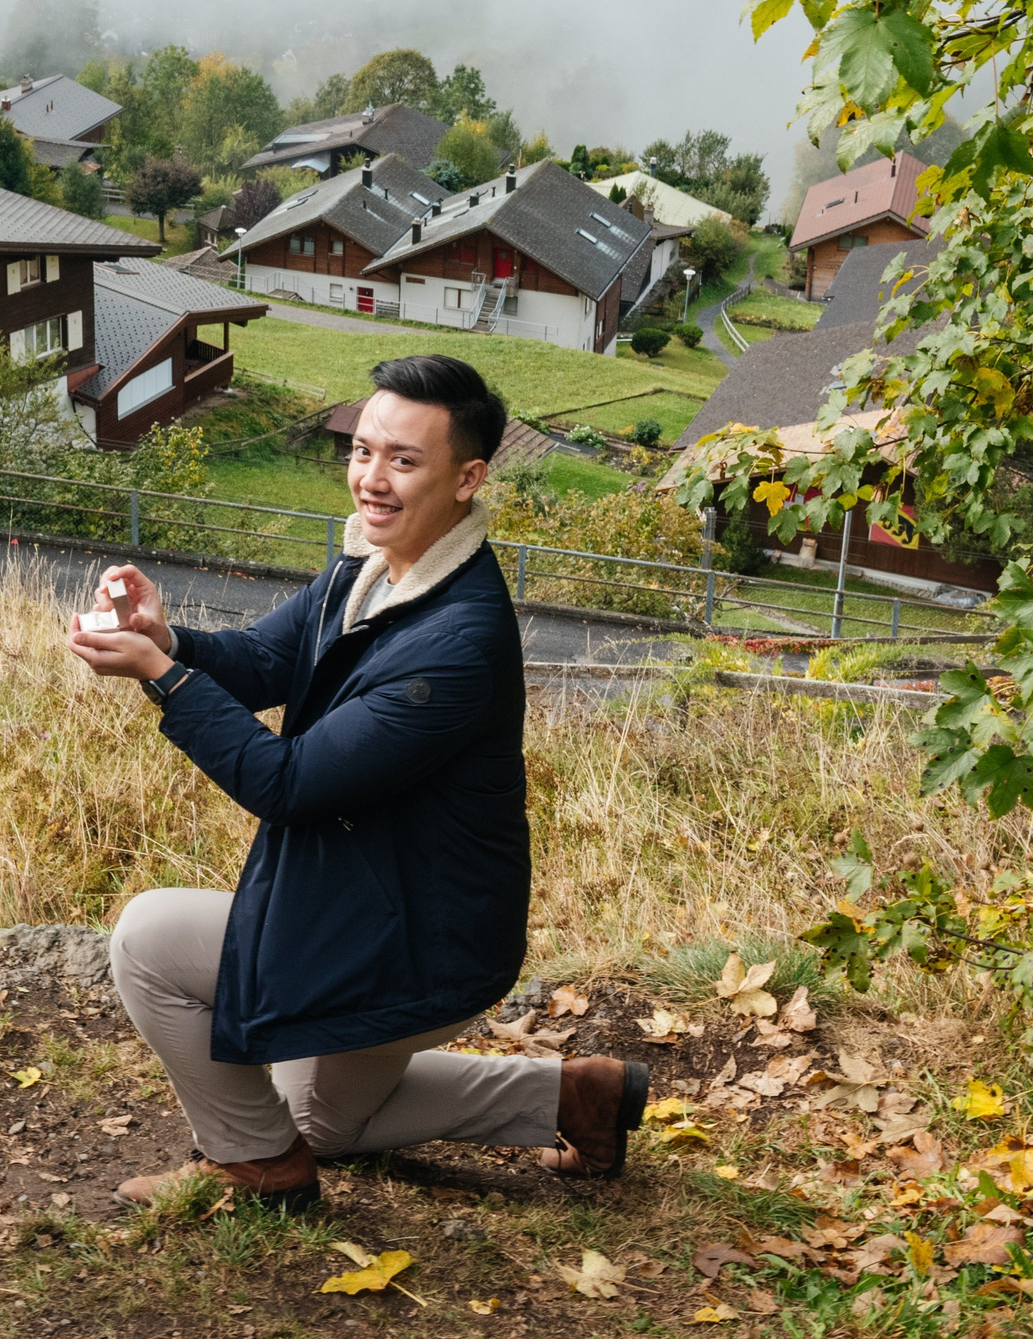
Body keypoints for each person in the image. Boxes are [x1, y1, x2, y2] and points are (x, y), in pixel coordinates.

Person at [68, 355, 647, 1210]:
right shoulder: (372, 567)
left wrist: (161, 675)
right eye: (363, 450)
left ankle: (258, 1160)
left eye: (403, 461)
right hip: (358, 905)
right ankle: (572, 1095)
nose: (371, 479)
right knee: (328, 1120)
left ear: (468, 477)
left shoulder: (456, 642)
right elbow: (269, 658)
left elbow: (287, 782)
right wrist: (173, 638)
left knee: (148, 939)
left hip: (419, 939)